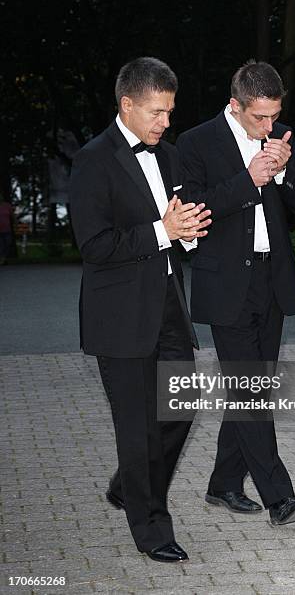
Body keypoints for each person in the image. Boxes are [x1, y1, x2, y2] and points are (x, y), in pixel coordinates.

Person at [69, 57, 211, 563]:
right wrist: (163, 232)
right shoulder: (93, 160)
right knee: (139, 429)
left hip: (170, 308)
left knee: (180, 411)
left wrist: (187, 235)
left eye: (170, 112)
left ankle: (130, 486)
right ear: (126, 104)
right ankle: (152, 529)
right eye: (156, 112)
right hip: (121, 318)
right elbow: (95, 245)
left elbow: (175, 228)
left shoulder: (169, 157)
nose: (165, 123)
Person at [176, 60, 295, 526]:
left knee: (252, 390)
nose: (269, 125)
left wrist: (280, 173)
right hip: (226, 283)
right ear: (235, 105)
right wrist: (249, 179)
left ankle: (224, 484)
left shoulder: (282, 138)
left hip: (272, 281)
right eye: (260, 116)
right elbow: (194, 209)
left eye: (275, 115)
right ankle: (280, 498)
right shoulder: (196, 142)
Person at [0, 196, 14, 265]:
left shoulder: (7, 206)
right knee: (1, 245)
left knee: (8, 244)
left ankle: (4, 258)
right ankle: (3, 260)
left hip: (7, 229)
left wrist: (16, 224)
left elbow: (12, 216)